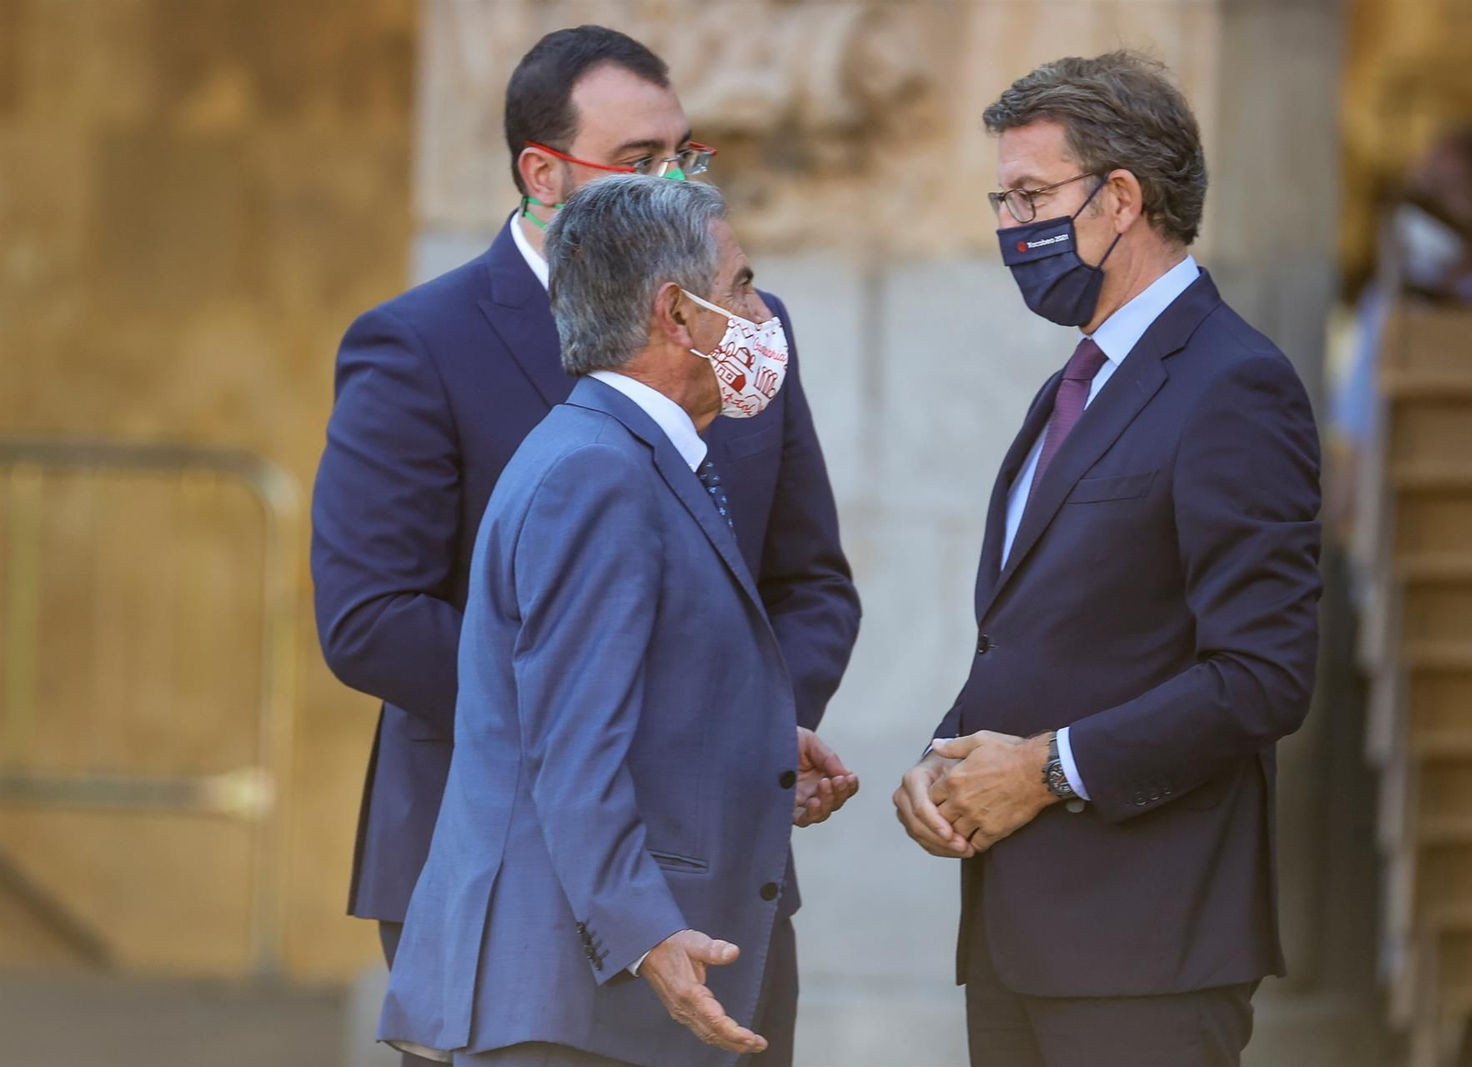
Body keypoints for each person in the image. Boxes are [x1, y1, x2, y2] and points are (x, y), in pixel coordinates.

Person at [310, 27, 861, 1065]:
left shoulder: (737, 323)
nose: (675, 182)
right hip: (506, 869)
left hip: (713, 862)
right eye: (643, 161)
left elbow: (804, 578)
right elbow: (371, 616)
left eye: (685, 156)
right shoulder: (422, 343)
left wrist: (758, 724)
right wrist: (627, 719)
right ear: (542, 171)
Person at [891, 52, 1322, 1067]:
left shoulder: (1233, 382)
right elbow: (1049, 625)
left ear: (1121, 197)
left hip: (1148, 951)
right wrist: (947, 758)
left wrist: (1045, 769)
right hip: (1015, 938)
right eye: (1002, 197)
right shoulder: (1070, 387)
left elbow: (1263, 674)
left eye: (1032, 195)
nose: (1009, 225)